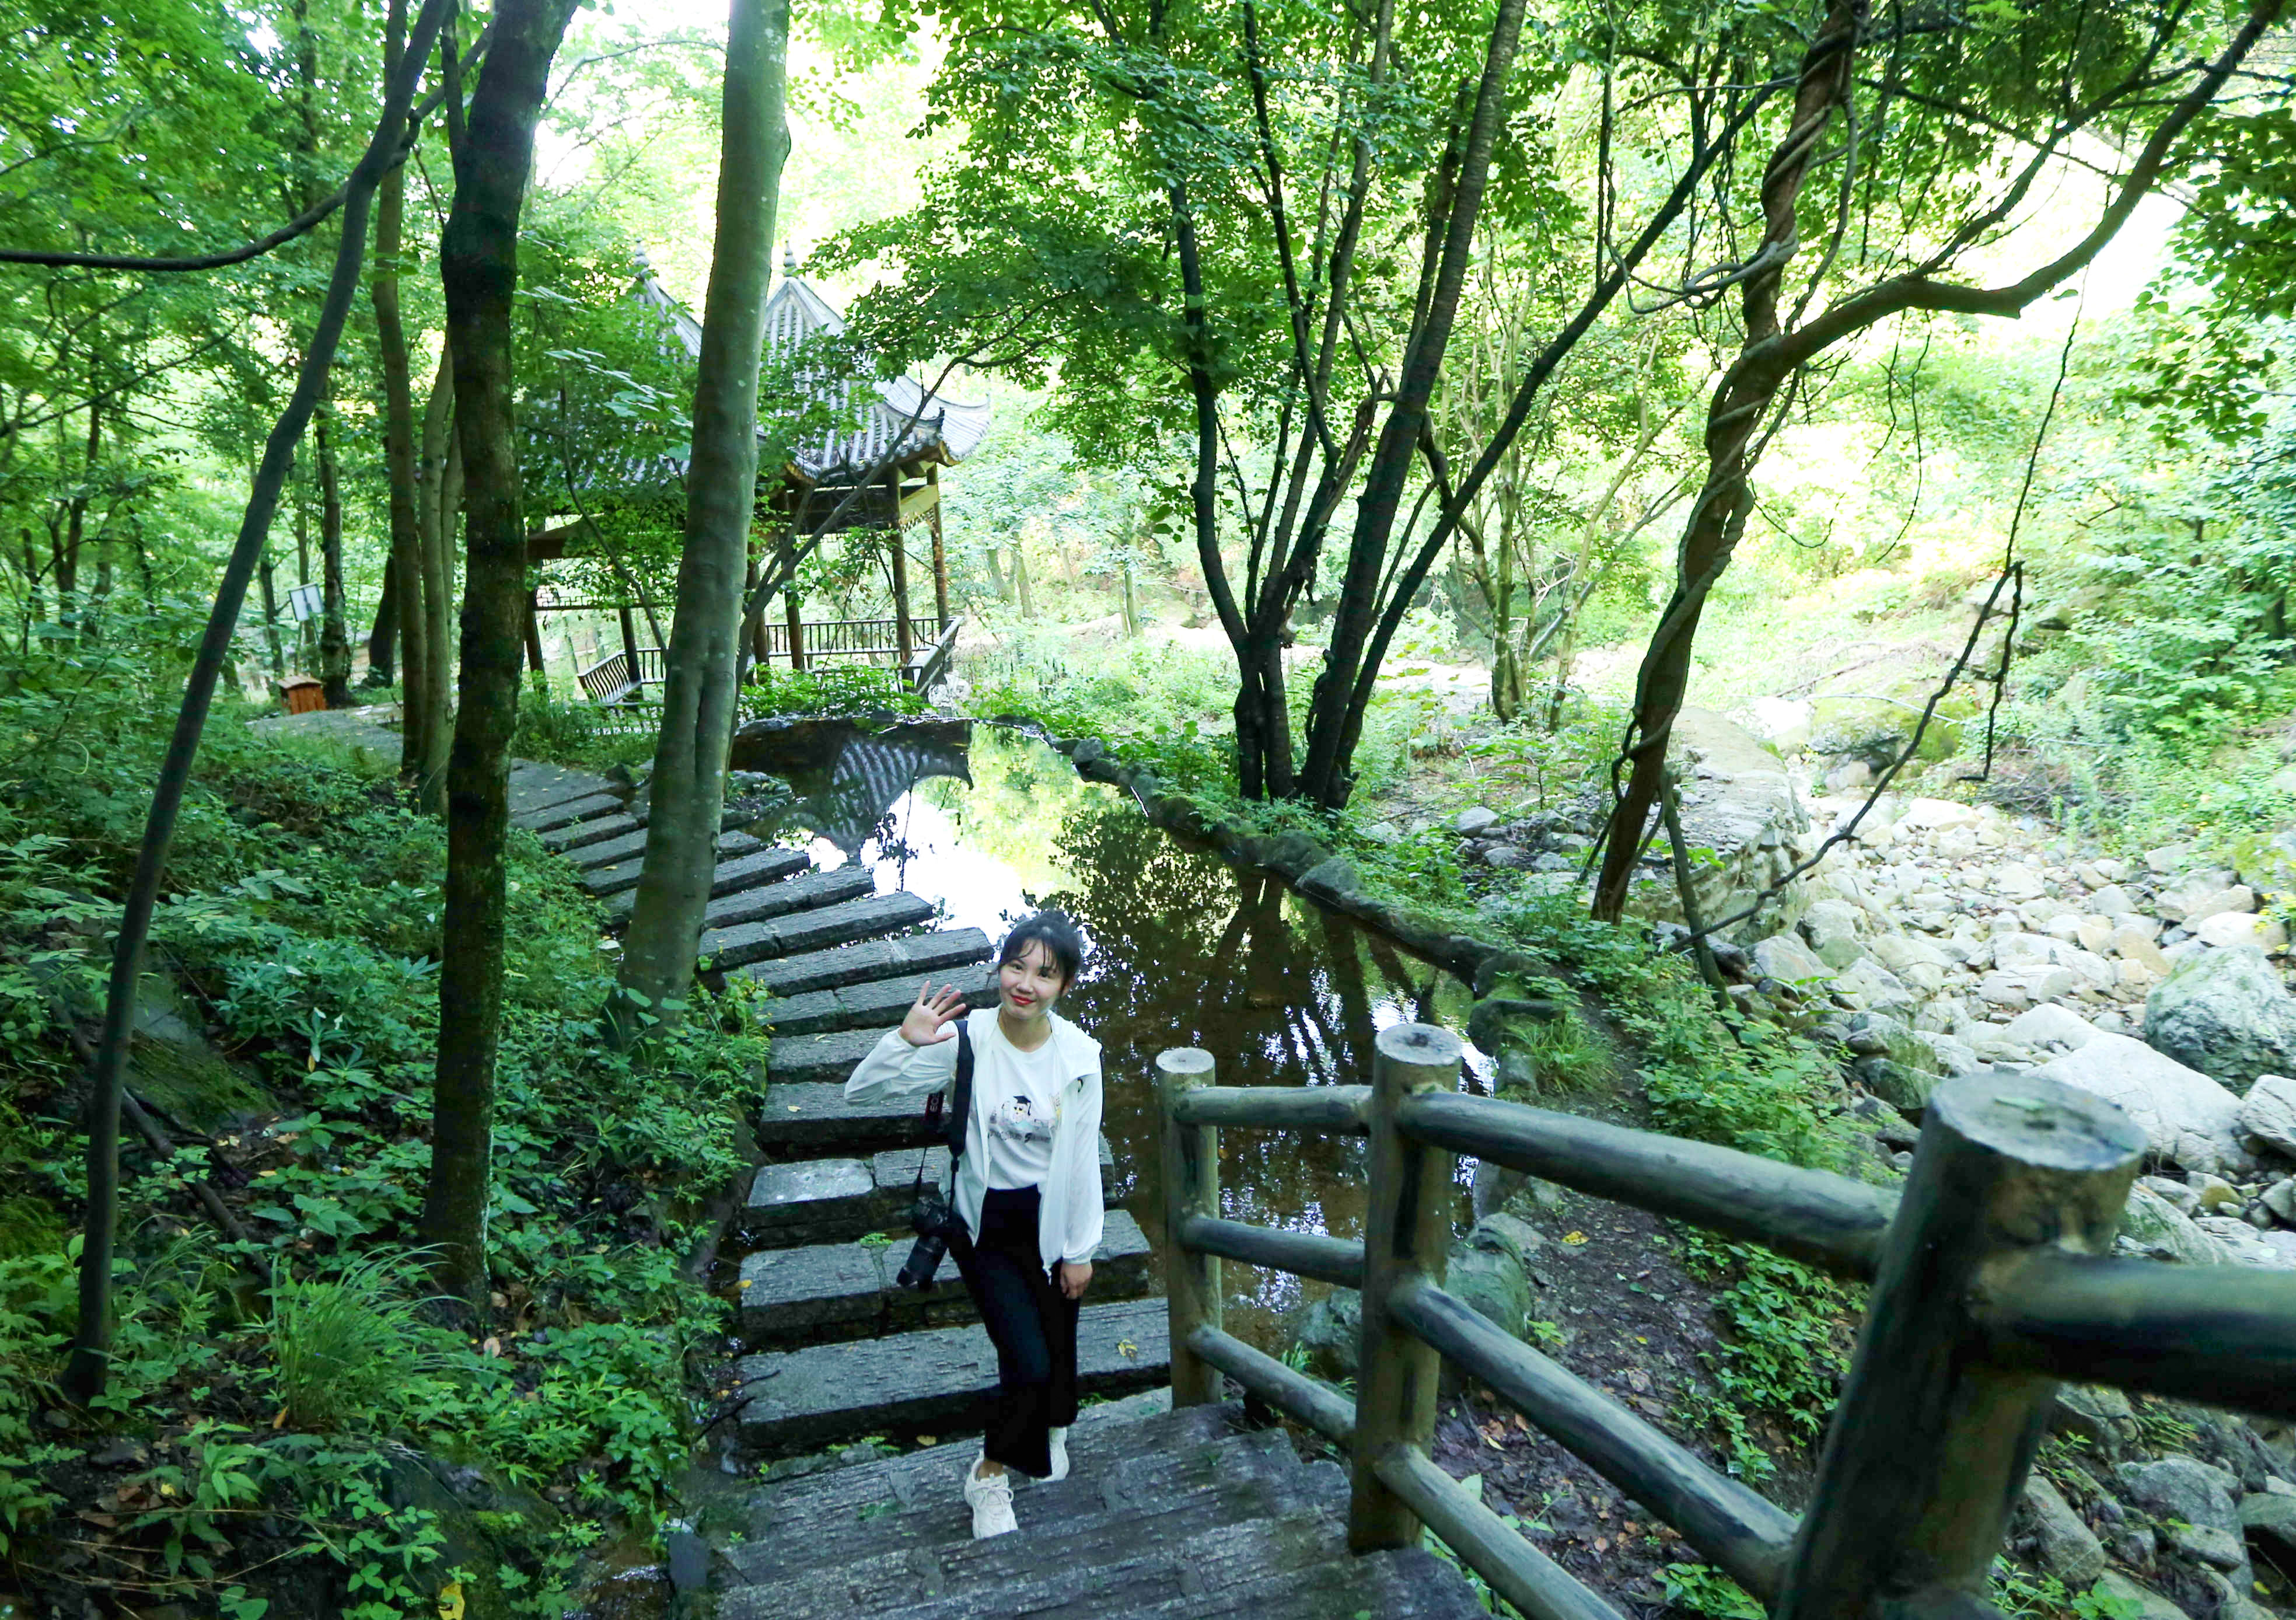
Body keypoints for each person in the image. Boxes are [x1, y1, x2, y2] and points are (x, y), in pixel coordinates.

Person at [843, 911, 1103, 1539]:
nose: (1026, 983)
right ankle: (989, 1474)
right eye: (1017, 965)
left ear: (1063, 985)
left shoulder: (1079, 1056)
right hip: (982, 1225)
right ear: (999, 968)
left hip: (1050, 1217)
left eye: (1045, 973)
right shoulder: (968, 1040)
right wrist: (904, 1040)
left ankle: (1050, 1430)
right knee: (1026, 1358)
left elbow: (1081, 1157)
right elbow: (860, 1092)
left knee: (1059, 1338)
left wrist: (1080, 1248)